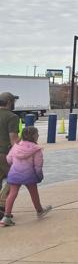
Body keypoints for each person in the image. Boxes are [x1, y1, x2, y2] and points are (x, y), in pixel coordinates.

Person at [1, 126, 52, 226]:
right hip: (29, 175)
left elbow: (9, 159)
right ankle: (39, 210)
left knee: (12, 194)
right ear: (33, 136)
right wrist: (39, 176)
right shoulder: (36, 149)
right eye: (37, 134)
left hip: (14, 173)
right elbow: (38, 165)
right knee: (34, 193)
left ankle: (6, 216)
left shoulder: (16, 146)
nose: (38, 135)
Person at [0, 92, 20, 220]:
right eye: (13, 102)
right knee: (15, 179)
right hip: (4, 154)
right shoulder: (12, 117)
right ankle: (2, 205)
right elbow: (13, 139)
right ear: (8, 102)